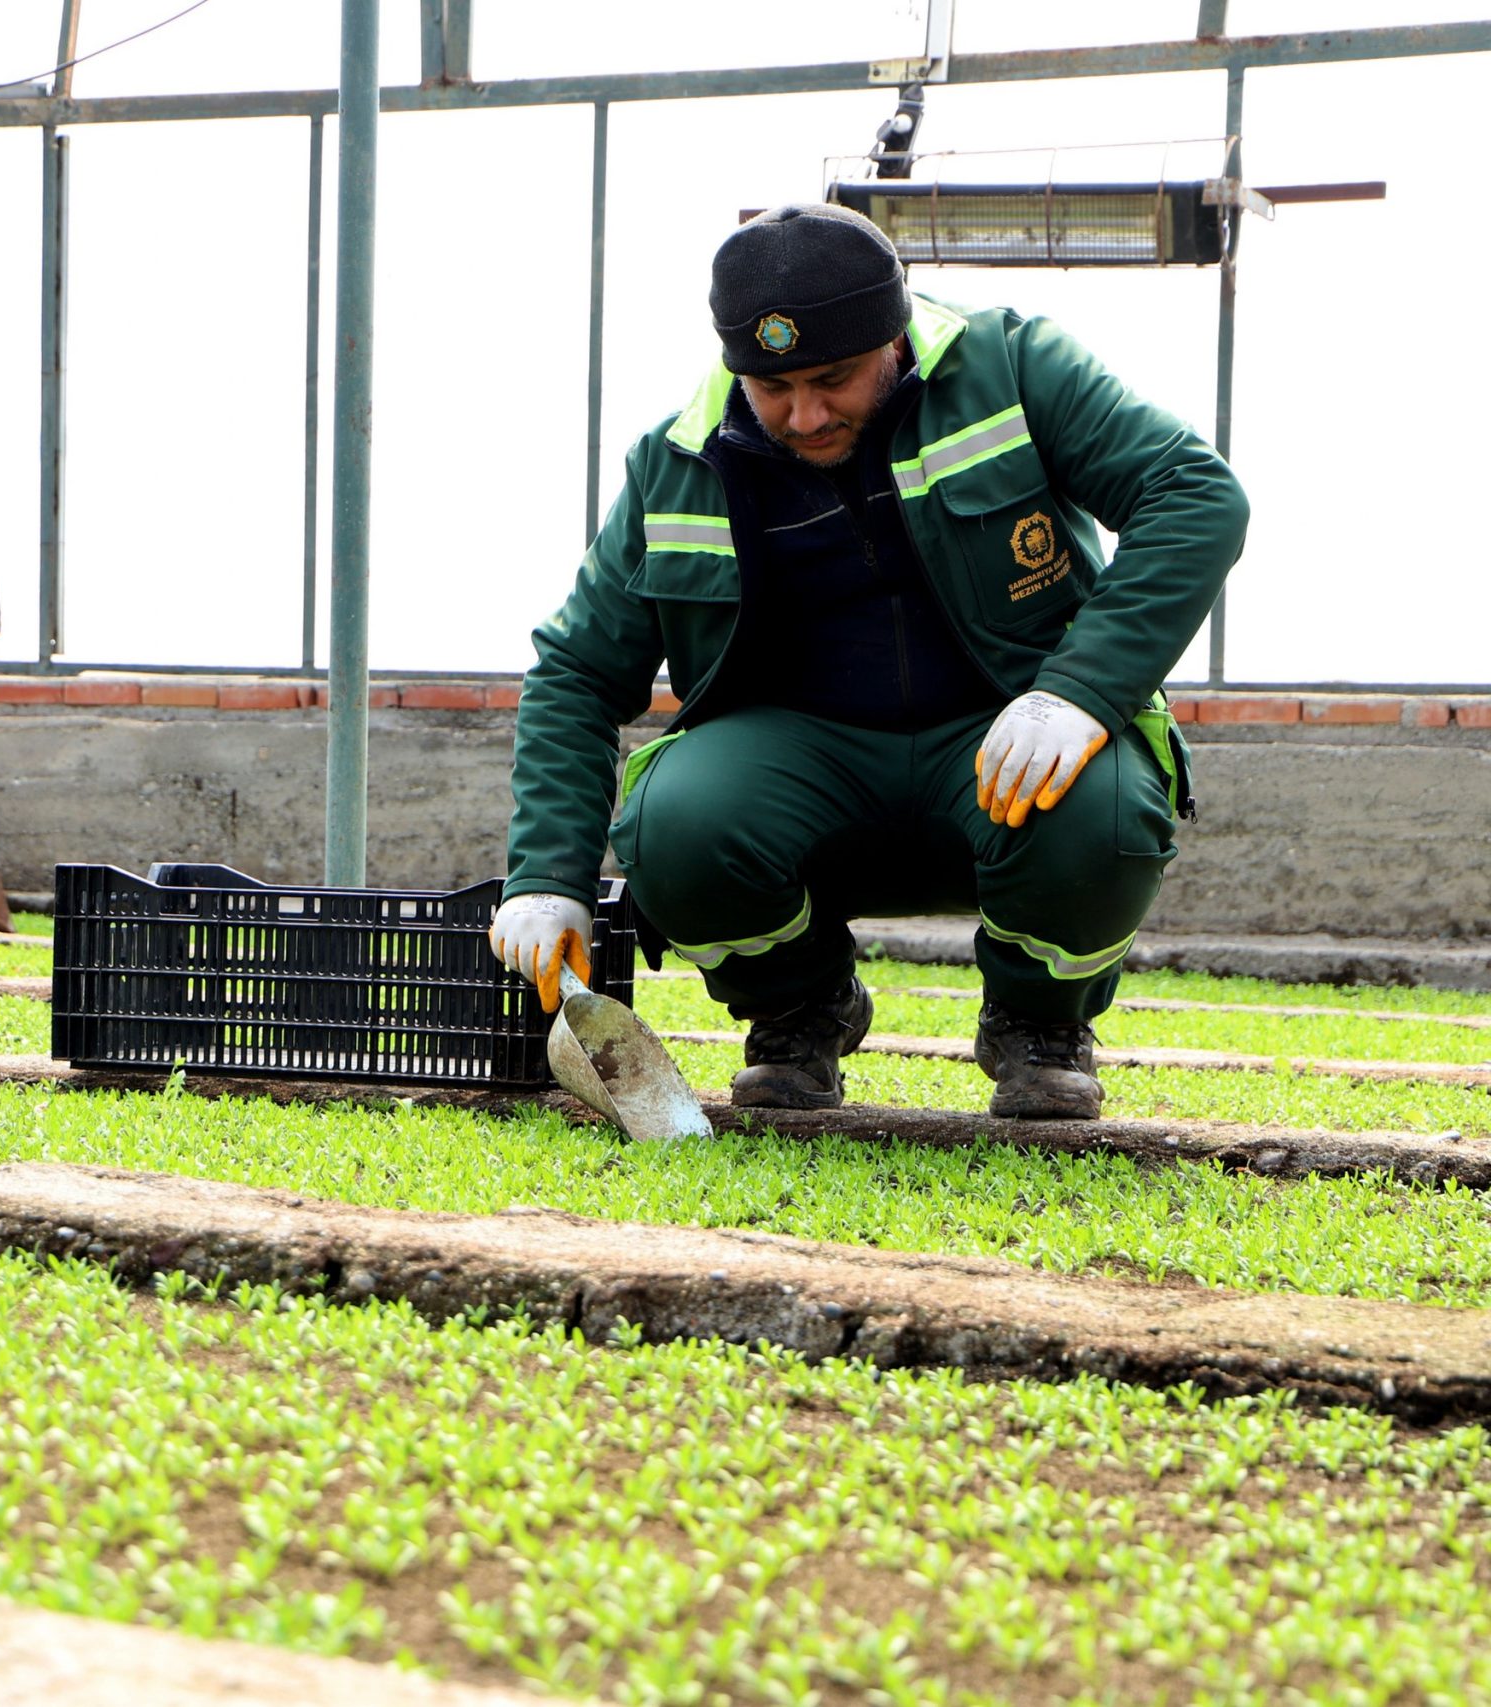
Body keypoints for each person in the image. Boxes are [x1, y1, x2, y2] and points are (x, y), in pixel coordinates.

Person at [489, 203, 1247, 1119]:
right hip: (803, 769)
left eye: (832, 379)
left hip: (1003, 743)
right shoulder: (677, 459)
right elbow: (575, 668)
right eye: (771, 388)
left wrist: (1079, 693)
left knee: (1104, 807)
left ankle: (1037, 1023)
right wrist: (544, 877)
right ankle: (801, 1011)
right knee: (672, 821)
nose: (803, 415)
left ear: (891, 339)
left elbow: (1194, 493)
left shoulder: (1012, 366)